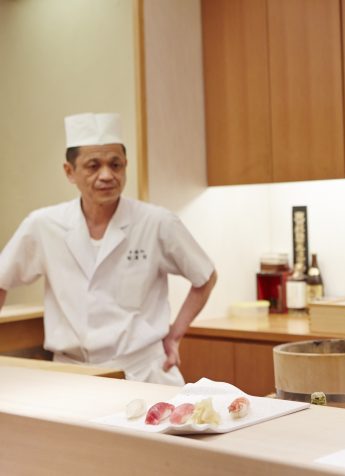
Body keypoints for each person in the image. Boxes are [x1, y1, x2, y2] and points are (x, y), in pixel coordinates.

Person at [0, 112, 217, 386]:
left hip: (142, 374)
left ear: (126, 166)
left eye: (116, 165)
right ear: (70, 172)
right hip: (71, 375)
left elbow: (205, 276)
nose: (107, 175)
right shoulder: (44, 225)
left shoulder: (156, 221)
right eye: (93, 166)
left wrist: (175, 334)